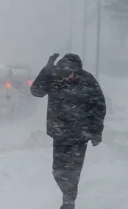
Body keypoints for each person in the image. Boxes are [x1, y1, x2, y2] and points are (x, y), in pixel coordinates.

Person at [30, 53, 106, 209]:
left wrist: (96, 131)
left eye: (68, 75)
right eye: (62, 74)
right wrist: (46, 70)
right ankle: (68, 196)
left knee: (73, 171)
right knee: (57, 171)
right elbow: (36, 92)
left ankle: (68, 201)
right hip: (60, 133)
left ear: (76, 70)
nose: (64, 78)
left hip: (80, 134)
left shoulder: (87, 80)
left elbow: (99, 106)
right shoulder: (54, 77)